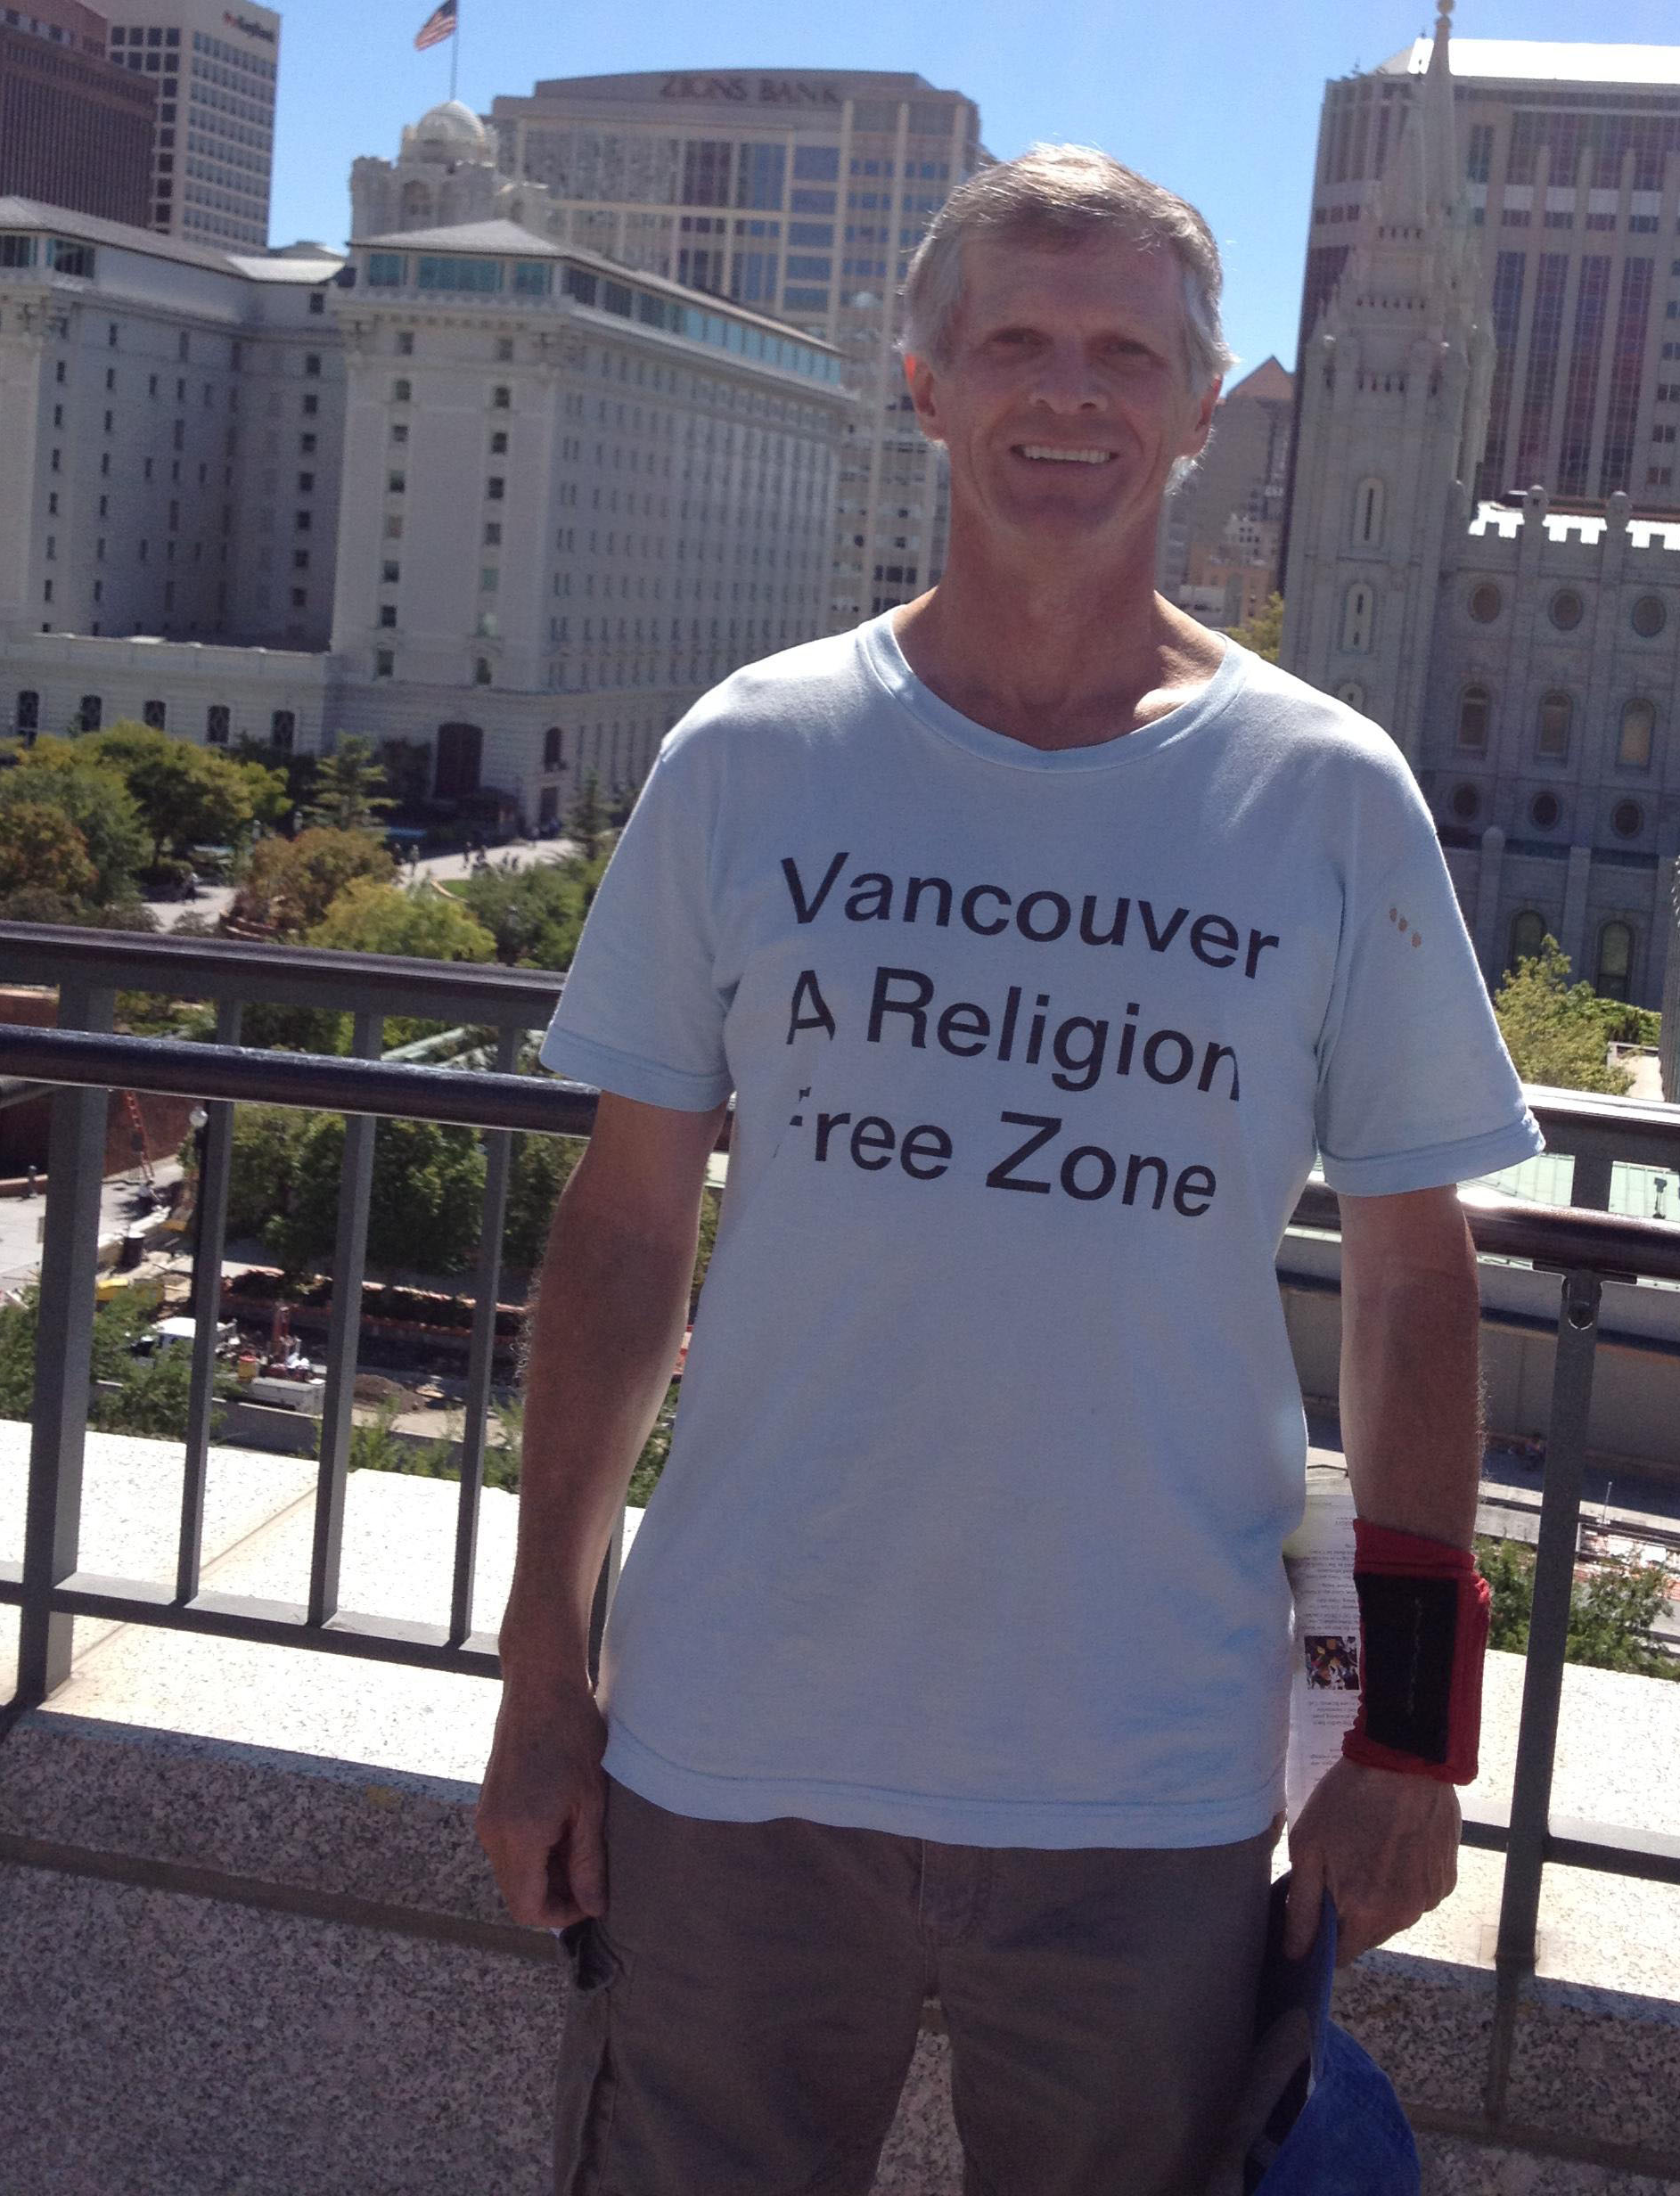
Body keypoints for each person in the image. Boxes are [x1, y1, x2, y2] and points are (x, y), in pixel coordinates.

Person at [477, 145, 1539, 2195]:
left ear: (1202, 409)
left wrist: (1414, 1733)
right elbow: (621, 1242)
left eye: (1126, 351)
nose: (1072, 394)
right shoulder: (748, 756)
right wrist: (542, 1673)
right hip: (726, 1740)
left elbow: (1417, 1283)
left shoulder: (1327, 794)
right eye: (1018, 343)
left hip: (1147, 1772)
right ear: (926, 381)